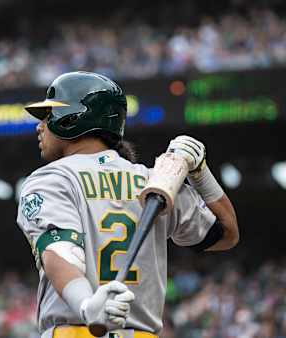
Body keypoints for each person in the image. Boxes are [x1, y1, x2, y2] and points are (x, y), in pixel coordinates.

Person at [16, 71, 239, 338]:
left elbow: (59, 251)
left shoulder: (52, 178)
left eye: (49, 115)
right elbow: (227, 234)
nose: (39, 126)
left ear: (72, 118)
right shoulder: (154, 181)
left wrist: (86, 304)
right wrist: (202, 176)